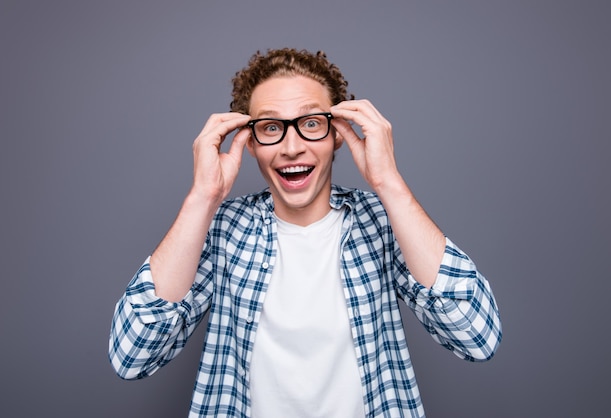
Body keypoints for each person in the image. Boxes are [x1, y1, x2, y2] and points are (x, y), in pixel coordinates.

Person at [109, 48, 502, 418]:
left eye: (311, 123)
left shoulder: (382, 221)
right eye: (270, 127)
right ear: (250, 143)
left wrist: (388, 183)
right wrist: (202, 198)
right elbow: (132, 356)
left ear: (337, 135)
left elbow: (476, 336)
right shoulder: (222, 228)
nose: (291, 147)